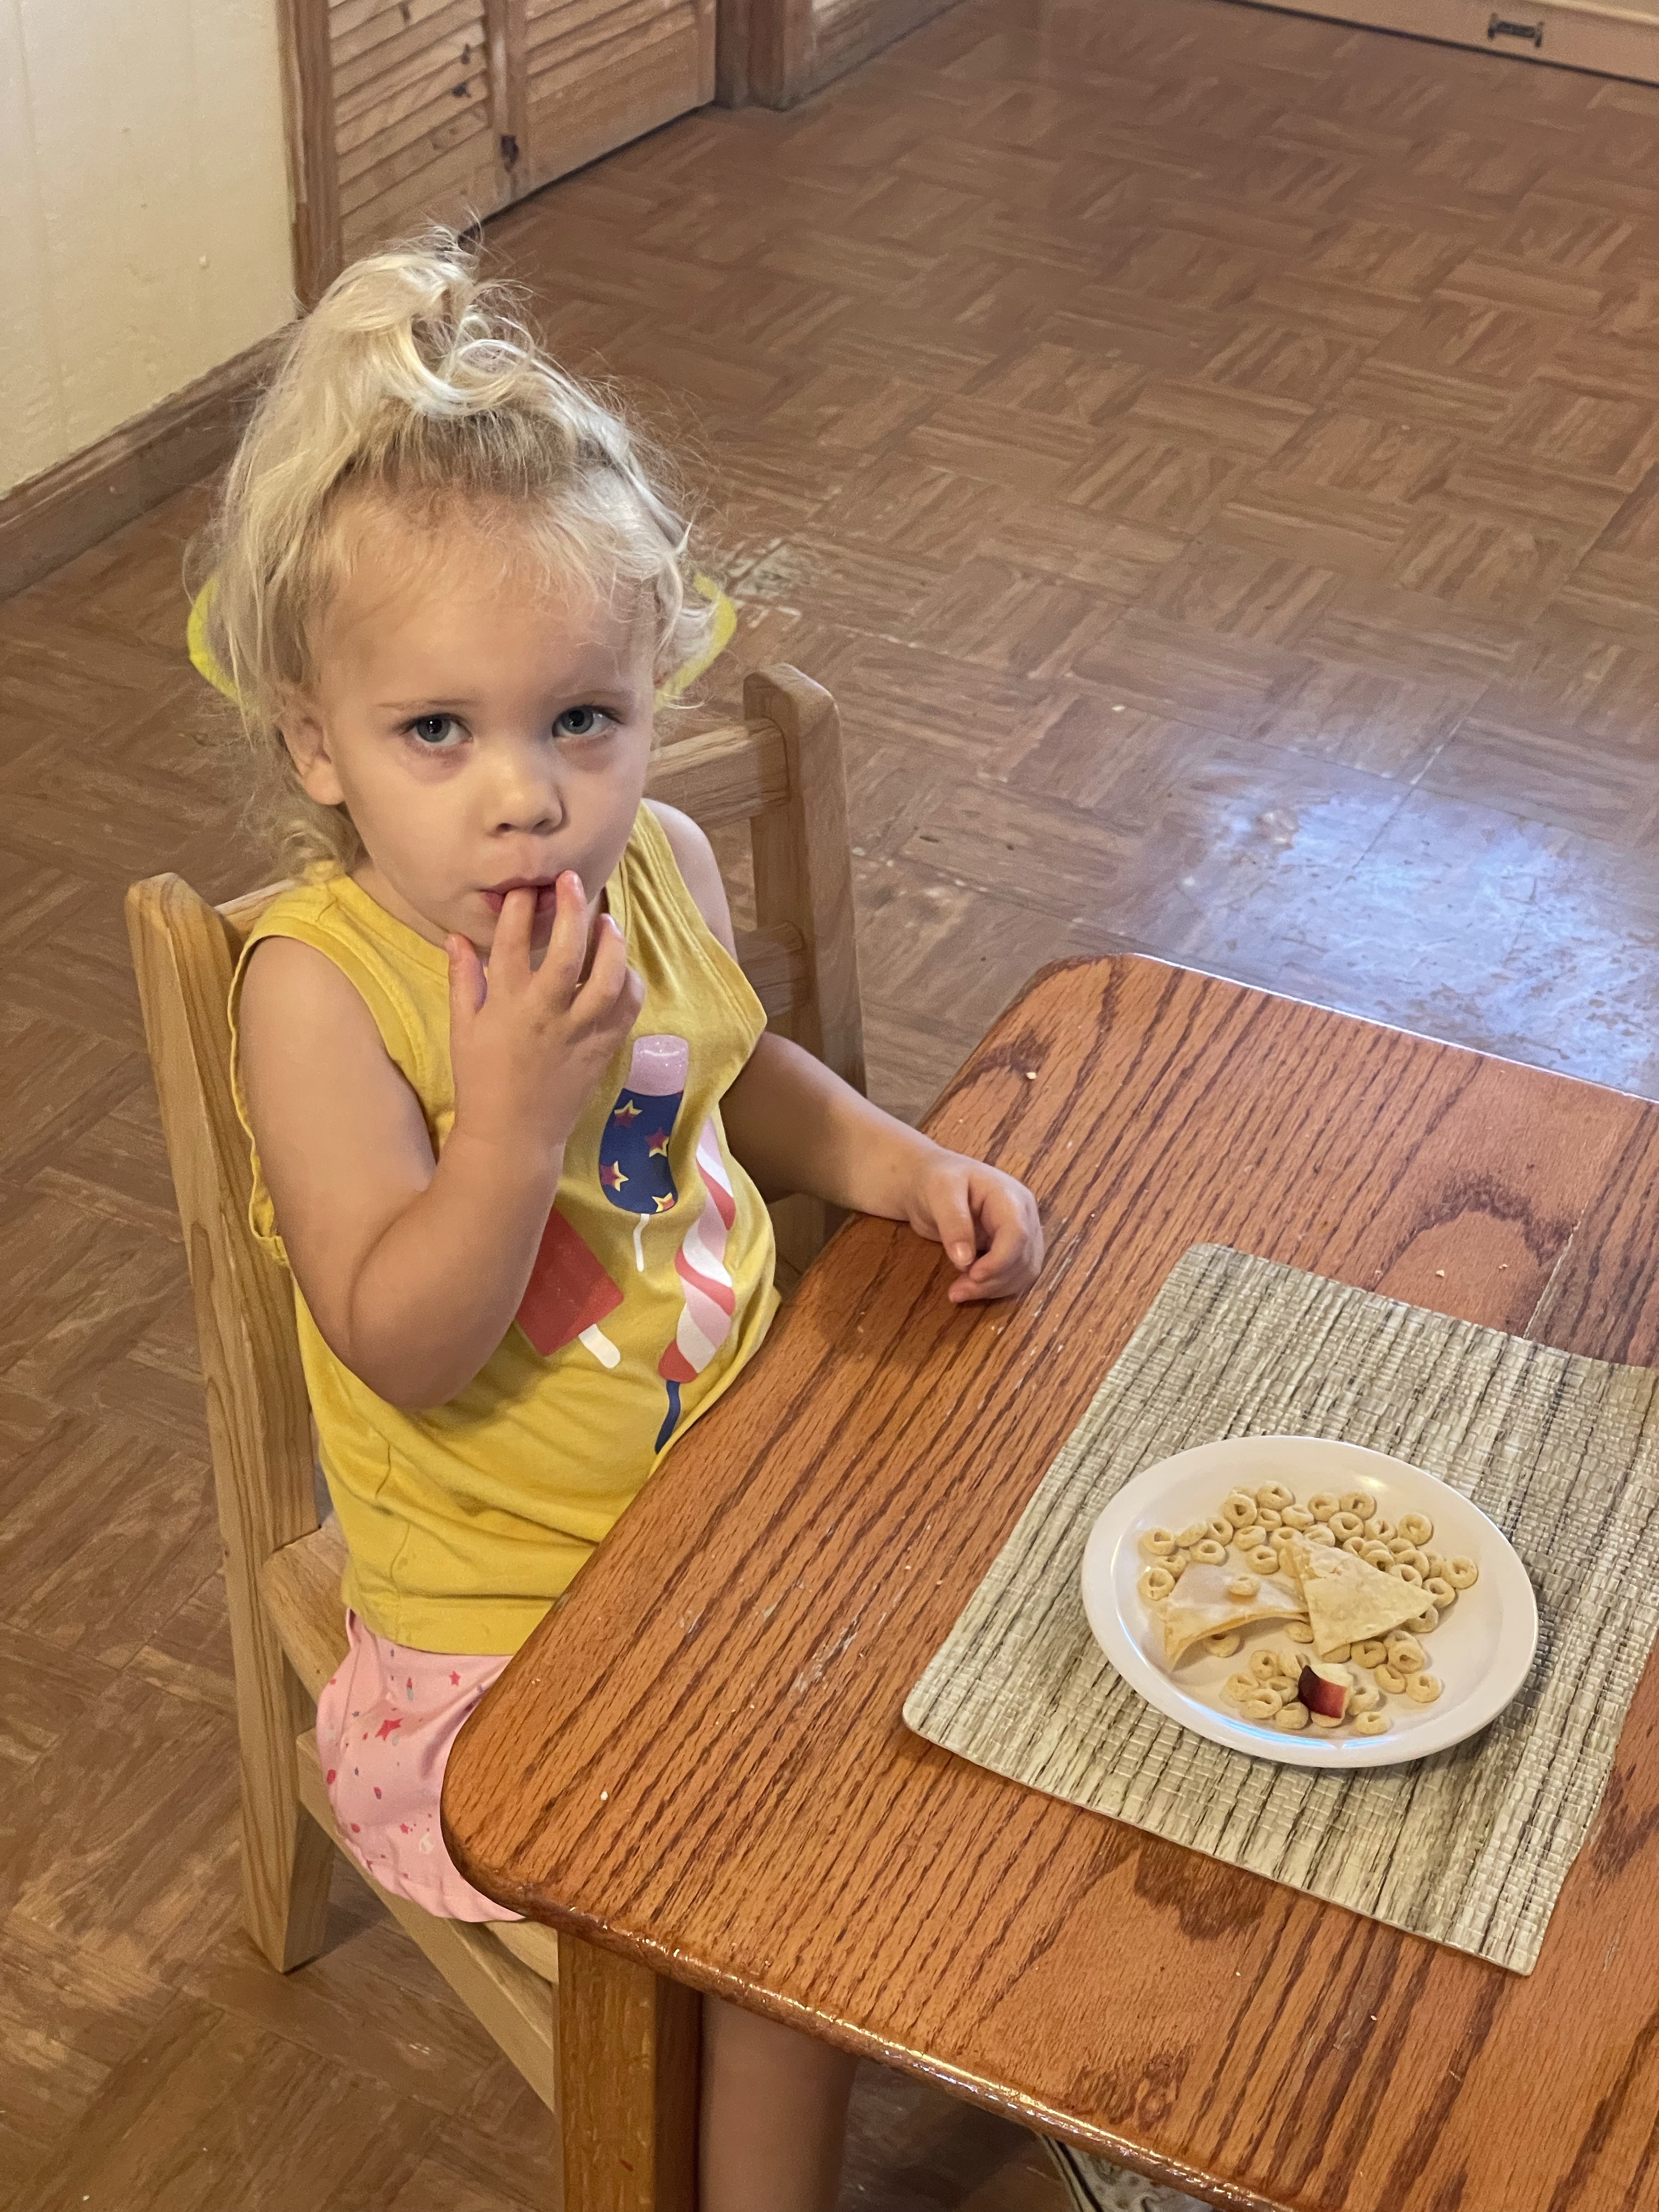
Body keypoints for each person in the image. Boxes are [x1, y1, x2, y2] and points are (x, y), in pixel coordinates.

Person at [204, 233, 1045, 2212]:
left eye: (581, 716)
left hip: (740, 1500)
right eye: (437, 732)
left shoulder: (656, 865)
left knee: (1016, 1678)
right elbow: (404, 1338)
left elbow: (728, 1075)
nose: (525, 798)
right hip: (509, 1625)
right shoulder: (321, 994)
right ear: (317, 743)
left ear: (650, 695)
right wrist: (509, 1128)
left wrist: (896, 1162)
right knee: (784, 1927)